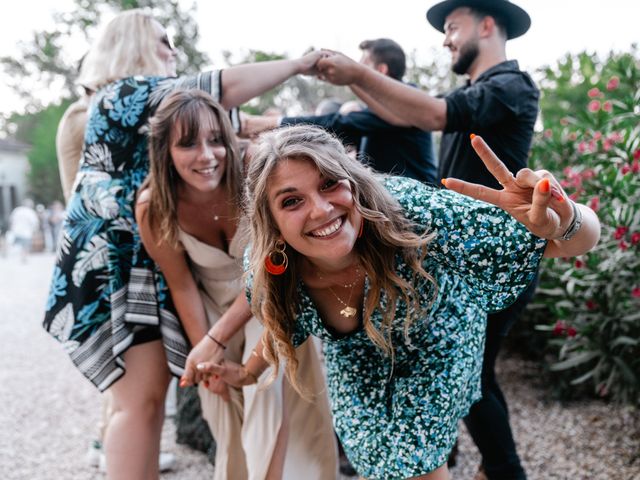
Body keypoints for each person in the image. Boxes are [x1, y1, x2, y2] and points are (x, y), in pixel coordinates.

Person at [184, 125, 600, 480]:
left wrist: (565, 219)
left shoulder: (413, 211)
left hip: (438, 331)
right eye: (292, 201)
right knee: (372, 454)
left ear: (353, 182)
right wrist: (244, 373)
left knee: (414, 452)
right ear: (270, 220)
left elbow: (577, 242)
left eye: (330, 183)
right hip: (356, 355)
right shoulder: (272, 268)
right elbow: (280, 323)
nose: (321, 209)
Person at [41, 9, 324, 479]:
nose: (173, 51)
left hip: (136, 263)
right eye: (162, 40)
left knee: (138, 399)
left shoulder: (147, 110)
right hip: (115, 265)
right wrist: (300, 64)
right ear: (131, 46)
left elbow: (232, 121)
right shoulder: (123, 93)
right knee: (140, 402)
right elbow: (219, 89)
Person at [316, 2, 539, 477]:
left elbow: (434, 115)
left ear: (487, 25)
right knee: (470, 373)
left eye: (452, 27)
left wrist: (357, 71)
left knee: (473, 374)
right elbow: (409, 115)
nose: (445, 39)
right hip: (462, 257)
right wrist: (354, 80)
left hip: (491, 256)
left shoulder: (510, 86)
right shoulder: (476, 90)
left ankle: (504, 470)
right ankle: (487, 467)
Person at [135, 90, 337, 479]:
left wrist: (217, 337)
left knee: (275, 407)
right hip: (211, 312)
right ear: (164, 150)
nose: (207, 155)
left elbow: (276, 263)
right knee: (230, 422)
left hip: (272, 296)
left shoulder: (252, 166)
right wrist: (208, 354)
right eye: (188, 143)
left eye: (215, 139)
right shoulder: (153, 205)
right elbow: (182, 286)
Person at [242, 38, 437, 184]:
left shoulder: (406, 104)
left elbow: (340, 124)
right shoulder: (379, 110)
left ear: (381, 71)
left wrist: (267, 124)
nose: (357, 70)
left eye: (363, 66)